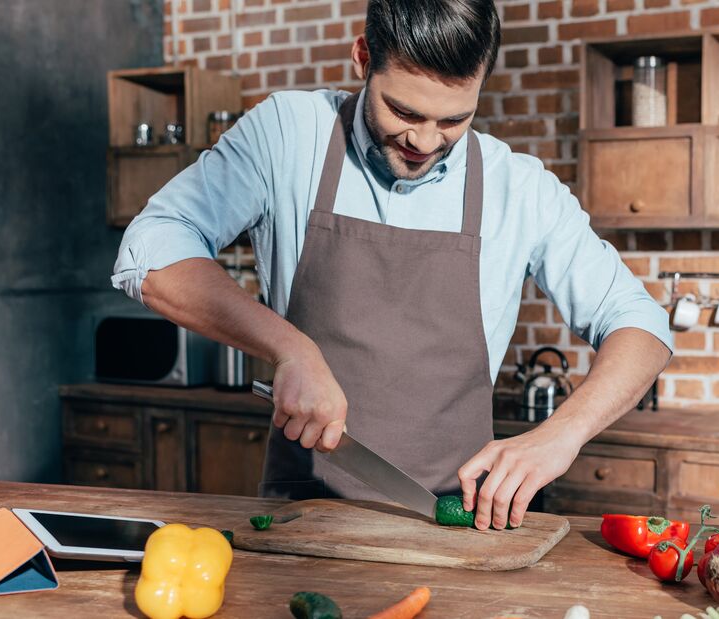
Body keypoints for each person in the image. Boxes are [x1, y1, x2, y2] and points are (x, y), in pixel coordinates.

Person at [112, 0, 671, 531]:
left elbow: (639, 323)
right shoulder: (290, 134)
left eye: (455, 119)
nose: (425, 141)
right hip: (303, 523)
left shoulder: (518, 187)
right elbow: (152, 249)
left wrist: (562, 434)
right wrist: (290, 347)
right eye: (404, 111)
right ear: (362, 58)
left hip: (459, 525)